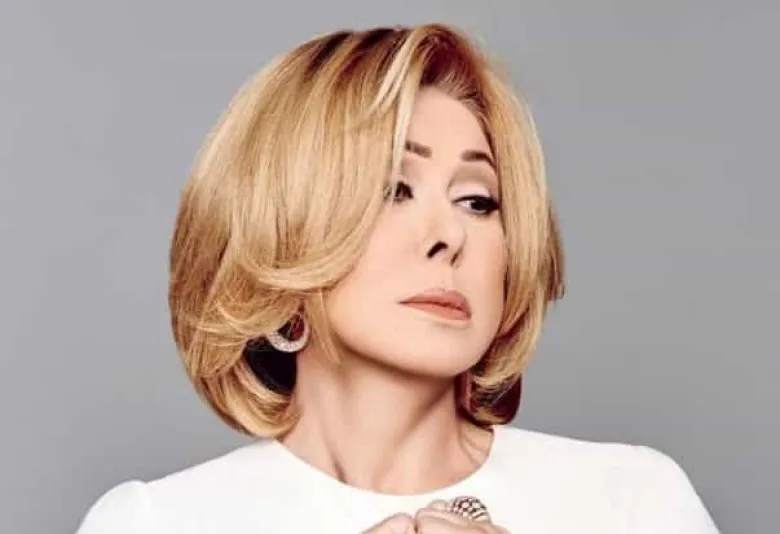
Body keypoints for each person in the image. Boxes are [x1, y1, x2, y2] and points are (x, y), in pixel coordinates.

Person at [76, 23, 720, 533]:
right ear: (281, 230)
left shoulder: (635, 503)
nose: (449, 235)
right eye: (394, 190)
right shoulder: (158, 522)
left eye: (478, 200)